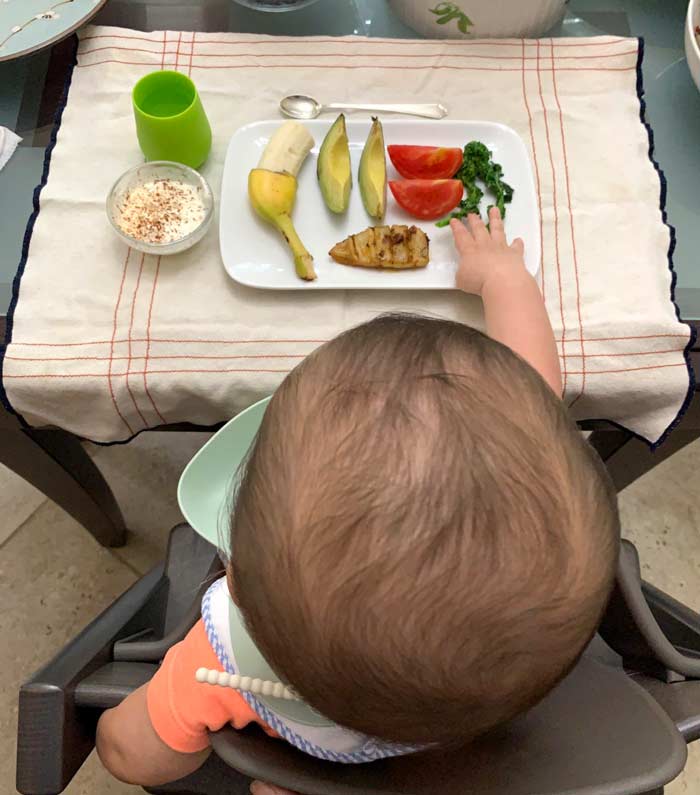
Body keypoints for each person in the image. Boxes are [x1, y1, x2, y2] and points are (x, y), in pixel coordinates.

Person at [96, 209, 620, 790]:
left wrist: (115, 735)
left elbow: (135, 754)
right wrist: (505, 280)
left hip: (311, 764)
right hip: (466, 761)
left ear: (239, 580)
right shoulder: (513, 661)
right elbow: (530, 387)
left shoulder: (222, 658)